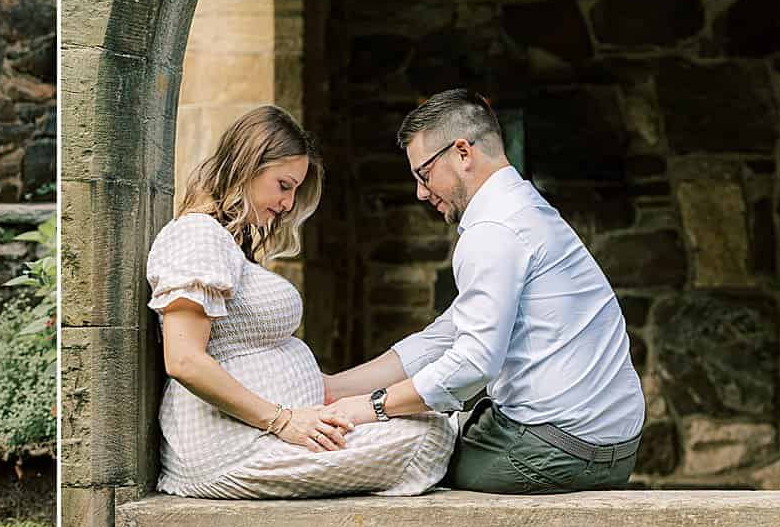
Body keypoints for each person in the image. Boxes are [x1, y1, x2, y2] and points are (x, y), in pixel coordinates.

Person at [322, 89, 645, 492]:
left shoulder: (491, 231)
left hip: (557, 453)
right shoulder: (525, 208)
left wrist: (371, 406)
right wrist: (334, 388)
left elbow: (474, 362)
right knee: (427, 425)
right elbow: (444, 337)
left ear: (462, 152)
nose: (421, 192)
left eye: (423, 174)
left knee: (395, 452)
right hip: (612, 449)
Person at [148, 105, 458, 498]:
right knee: (428, 438)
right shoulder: (197, 234)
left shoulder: (224, 243)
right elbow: (184, 360)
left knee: (426, 424)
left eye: (295, 190)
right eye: (283, 185)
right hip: (229, 450)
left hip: (259, 436)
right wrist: (283, 420)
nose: (289, 204)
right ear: (248, 165)